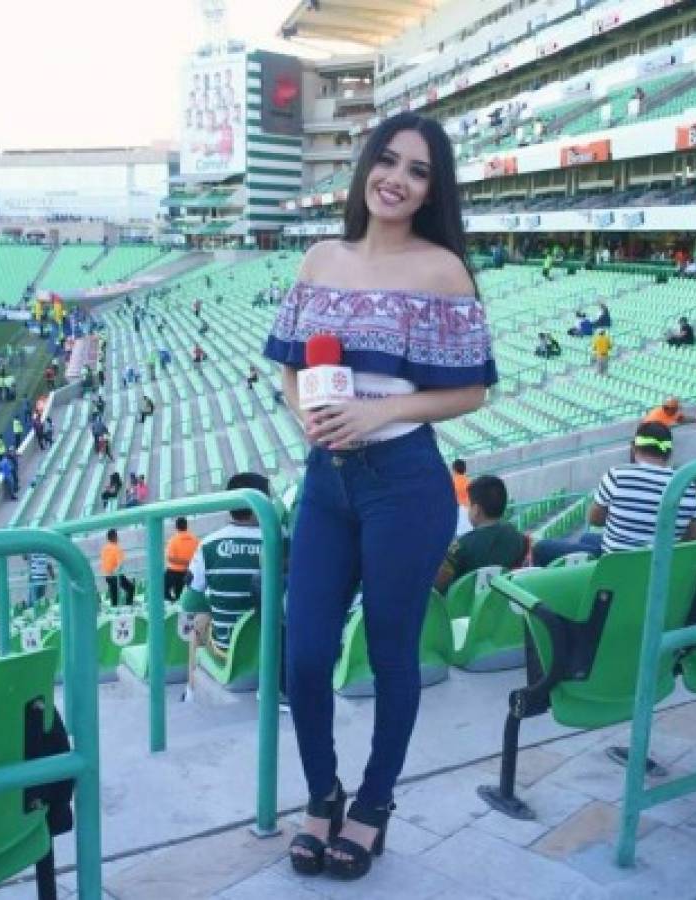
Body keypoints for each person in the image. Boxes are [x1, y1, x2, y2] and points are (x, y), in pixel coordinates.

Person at [264, 112, 496, 879]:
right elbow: (290, 362)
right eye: (388, 160)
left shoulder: (442, 269)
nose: (397, 177)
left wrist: (377, 410)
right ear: (366, 166)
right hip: (326, 481)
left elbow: (470, 392)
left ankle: (372, 803)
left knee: (391, 652)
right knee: (303, 654)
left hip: (405, 482)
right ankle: (321, 792)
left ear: (434, 189)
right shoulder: (320, 256)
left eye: (419, 170)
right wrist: (307, 412)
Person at [532, 422, 696, 566]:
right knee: (588, 538)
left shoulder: (617, 475)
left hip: (615, 564)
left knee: (541, 548)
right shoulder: (687, 485)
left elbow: (595, 519)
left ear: (634, 447)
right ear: (669, 453)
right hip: (660, 565)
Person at [183, 472, 270, 656]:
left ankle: (192, 683)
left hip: (228, 652)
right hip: (274, 650)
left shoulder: (208, 544)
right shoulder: (282, 539)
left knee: (198, 621)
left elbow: (189, 602)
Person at [435, 475, 526, 593]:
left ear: (476, 510)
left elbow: (438, 586)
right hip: (503, 603)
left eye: (469, 505)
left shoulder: (461, 546)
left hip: (463, 609)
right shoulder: (517, 536)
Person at [164, 517, 200, 602]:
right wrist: (189, 562)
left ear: (176, 527)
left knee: (162, 589)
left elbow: (170, 558)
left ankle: (173, 602)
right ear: (186, 526)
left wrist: (183, 562)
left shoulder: (173, 540)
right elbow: (199, 556)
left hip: (174, 571)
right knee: (180, 595)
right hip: (189, 571)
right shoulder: (195, 539)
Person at [100, 528, 135, 606]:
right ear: (115, 537)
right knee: (130, 588)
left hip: (107, 575)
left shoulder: (104, 549)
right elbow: (120, 564)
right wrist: (116, 572)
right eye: (117, 536)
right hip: (115, 575)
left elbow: (104, 562)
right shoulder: (117, 548)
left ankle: (114, 608)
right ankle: (128, 605)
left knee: (114, 594)